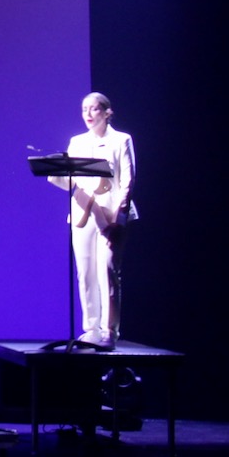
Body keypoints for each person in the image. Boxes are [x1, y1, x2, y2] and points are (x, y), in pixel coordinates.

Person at [50, 91, 136, 349]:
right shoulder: (77, 142)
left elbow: (128, 181)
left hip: (110, 213)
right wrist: (54, 173)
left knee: (108, 271)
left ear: (107, 112)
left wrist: (119, 217)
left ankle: (109, 331)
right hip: (83, 212)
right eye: (84, 109)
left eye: (94, 108)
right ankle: (91, 329)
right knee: (85, 272)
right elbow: (71, 182)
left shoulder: (121, 140)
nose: (88, 114)